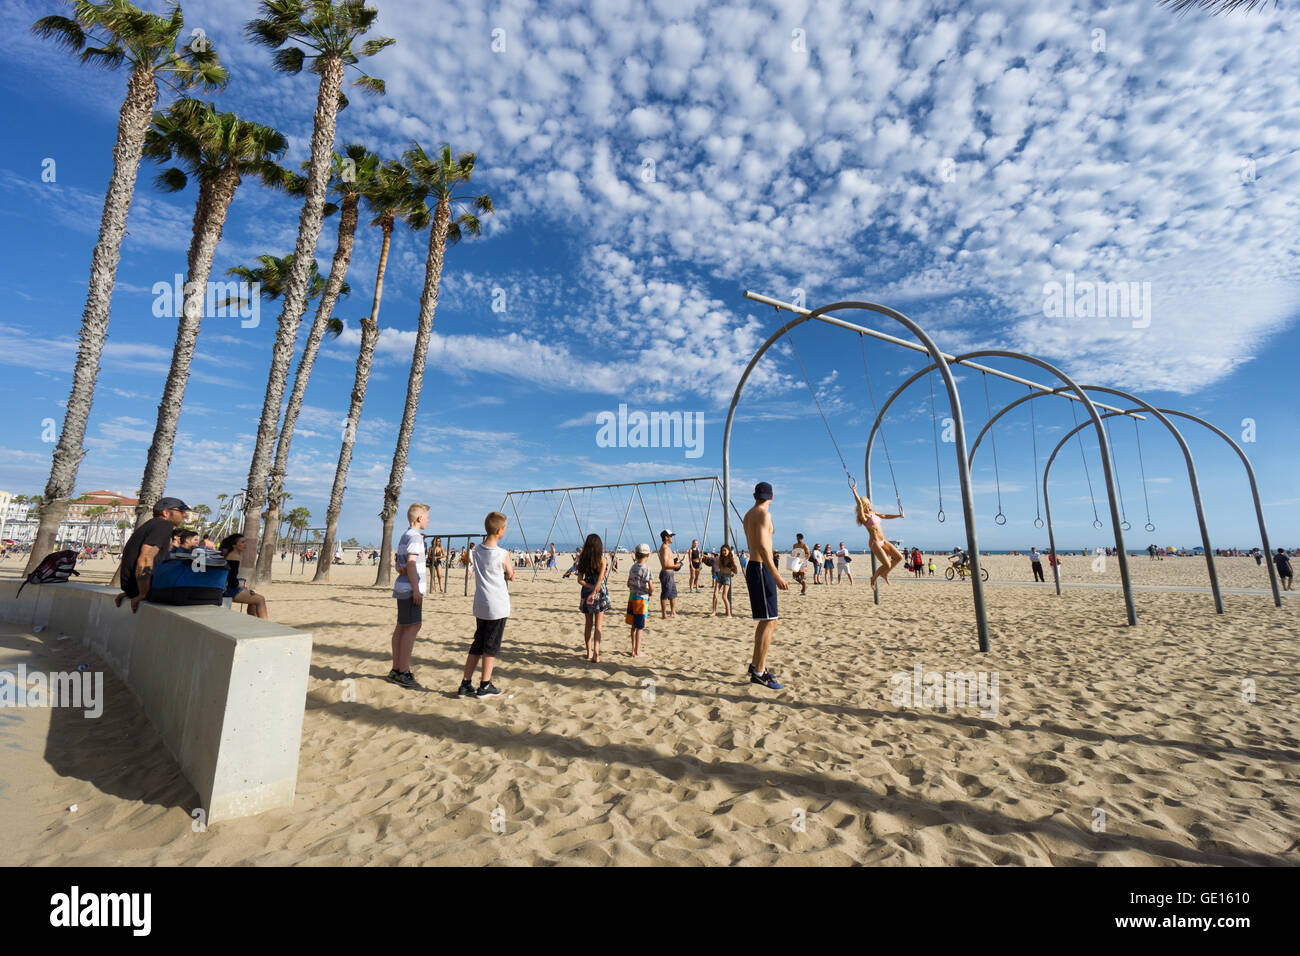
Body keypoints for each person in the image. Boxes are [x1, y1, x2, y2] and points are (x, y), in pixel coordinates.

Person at [459, 512, 515, 698]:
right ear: (500, 531)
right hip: (497, 605)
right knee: (490, 647)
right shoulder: (502, 553)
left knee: (477, 643)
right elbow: (511, 574)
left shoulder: (477, 551)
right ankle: (485, 684)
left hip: (481, 604)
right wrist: (510, 571)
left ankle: (466, 683)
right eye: (505, 528)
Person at [743, 482, 788, 690]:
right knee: (771, 621)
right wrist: (776, 574)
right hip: (761, 568)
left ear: (754, 495)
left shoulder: (749, 513)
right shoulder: (763, 514)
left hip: (756, 567)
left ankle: (756, 665)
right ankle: (760, 673)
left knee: (767, 620)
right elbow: (761, 545)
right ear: (773, 496)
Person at [114, 497, 190, 613]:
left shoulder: (150, 525)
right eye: (181, 511)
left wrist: (130, 592)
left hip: (132, 589)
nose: (184, 515)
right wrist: (143, 593)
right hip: (142, 590)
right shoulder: (163, 525)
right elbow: (145, 558)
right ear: (166, 512)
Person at [387, 503, 429, 689]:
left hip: (402, 587)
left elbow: (399, 563)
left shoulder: (405, 535)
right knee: (412, 627)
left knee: (402, 627)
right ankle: (403, 671)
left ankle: (396, 669)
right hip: (410, 588)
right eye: (427, 517)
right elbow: (411, 563)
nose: (428, 520)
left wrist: (399, 568)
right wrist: (416, 588)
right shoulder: (415, 537)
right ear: (419, 518)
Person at [851, 484, 903, 587]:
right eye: (868, 504)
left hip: (883, 541)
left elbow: (884, 516)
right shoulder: (863, 516)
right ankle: (873, 578)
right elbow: (859, 505)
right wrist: (854, 492)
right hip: (875, 543)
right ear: (864, 505)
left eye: (869, 504)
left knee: (899, 557)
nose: (870, 506)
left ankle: (885, 573)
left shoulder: (873, 513)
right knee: (887, 564)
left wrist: (898, 515)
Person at [577, 533, 611, 662]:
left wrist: (589, 590)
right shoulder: (602, 559)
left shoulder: (582, 559)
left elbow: (580, 580)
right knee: (598, 625)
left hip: (586, 591)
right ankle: (596, 653)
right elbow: (600, 580)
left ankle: (589, 652)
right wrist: (594, 591)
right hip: (599, 592)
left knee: (588, 624)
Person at [218, 533, 268, 619]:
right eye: (242, 542)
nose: (245, 544)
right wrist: (239, 585)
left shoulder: (230, 554)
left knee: (253, 600)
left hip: (224, 588)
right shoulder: (234, 556)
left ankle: (255, 622)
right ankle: (266, 626)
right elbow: (232, 579)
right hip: (227, 590)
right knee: (260, 599)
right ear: (234, 545)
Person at [625, 543, 654, 658]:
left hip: (632, 597)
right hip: (641, 599)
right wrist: (650, 592)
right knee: (640, 626)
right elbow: (651, 586)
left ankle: (632, 650)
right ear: (647, 554)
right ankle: (637, 651)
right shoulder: (647, 569)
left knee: (633, 625)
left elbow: (628, 583)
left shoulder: (633, 567)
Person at [710, 543, 741, 617]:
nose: (723, 552)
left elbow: (736, 572)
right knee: (715, 594)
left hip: (727, 577)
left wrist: (733, 568)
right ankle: (714, 611)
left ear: (729, 551)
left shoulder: (732, 559)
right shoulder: (721, 558)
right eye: (722, 551)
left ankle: (729, 614)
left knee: (724, 596)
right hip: (720, 575)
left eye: (725, 550)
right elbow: (720, 567)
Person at [657, 529, 682, 618]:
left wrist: (675, 563)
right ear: (666, 537)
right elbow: (665, 565)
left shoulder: (667, 547)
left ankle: (673, 612)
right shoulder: (664, 548)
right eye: (671, 536)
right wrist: (677, 566)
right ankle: (664, 613)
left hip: (670, 574)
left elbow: (668, 562)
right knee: (665, 593)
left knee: (673, 593)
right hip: (666, 574)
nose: (672, 538)